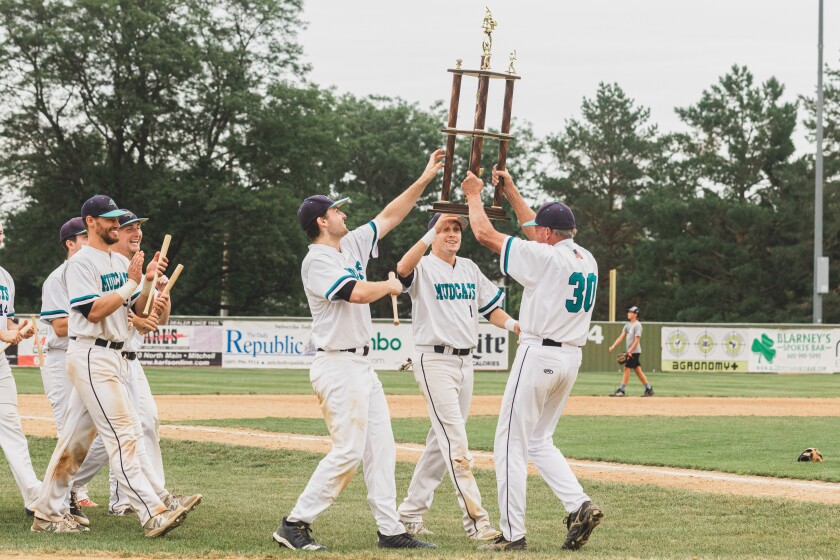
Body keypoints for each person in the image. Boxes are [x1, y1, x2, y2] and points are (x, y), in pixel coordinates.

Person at [272, 150, 444, 552]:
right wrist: (390, 287)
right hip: (337, 365)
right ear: (321, 221)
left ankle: (390, 530)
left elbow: (389, 216)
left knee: (382, 450)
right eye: (337, 211)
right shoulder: (316, 261)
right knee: (349, 451)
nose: (343, 215)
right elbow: (356, 293)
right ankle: (294, 523)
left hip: (361, 366)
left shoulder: (348, 246)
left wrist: (424, 178)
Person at [32, 195, 200, 536]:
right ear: (91, 222)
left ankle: (47, 512)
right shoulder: (81, 263)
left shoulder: (113, 261)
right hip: (92, 354)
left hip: (113, 354)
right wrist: (130, 284)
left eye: (116, 219)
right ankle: (152, 510)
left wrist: (148, 281)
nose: (115, 224)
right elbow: (91, 311)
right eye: (109, 219)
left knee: (75, 443)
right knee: (125, 435)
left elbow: (132, 309)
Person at [460, 167, 604, 552]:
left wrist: (474, 194)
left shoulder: (545, 258)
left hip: (538, 351)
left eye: (540, 229)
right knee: (540, 440)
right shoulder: (584, 257)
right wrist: (510, 192)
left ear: (547, 235)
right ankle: (579, 505)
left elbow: (485, 235)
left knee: (509, 444)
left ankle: (513, 535)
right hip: (570, 358)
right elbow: (534, 233)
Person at [395, 213, 517, 541]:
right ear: (433, 233)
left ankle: (408, 513)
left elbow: (491, 309)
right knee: (456, 443)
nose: (451, 234)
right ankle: (477, 523)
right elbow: (401, 270)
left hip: (465, 361)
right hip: (434, 359)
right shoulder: (422, 266)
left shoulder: (468, 268)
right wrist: (428, 231)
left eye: (455, 229)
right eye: (445, 228)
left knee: (441, 441)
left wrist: (516, 326)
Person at [70, 209, 193, 517]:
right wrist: (141, 307)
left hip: (125, 358)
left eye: (138, 227)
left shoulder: (130, 268)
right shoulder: (99, 265)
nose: (135, 232)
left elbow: (154, 318)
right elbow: (112, 313)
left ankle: (144, 496)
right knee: (117, 433)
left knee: (138, 427)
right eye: (128, 228)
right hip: (97, 355)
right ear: (114, 233)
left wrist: (156, 289)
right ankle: (131, 499)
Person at [39, 217, 104, 523]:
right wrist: (99, 316)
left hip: (88, 355)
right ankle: (59, 503)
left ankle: (66, 488)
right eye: (83, 237)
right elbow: (61, 325)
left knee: (104, 435)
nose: (89, 241)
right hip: (60, 359)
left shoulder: (92, 274)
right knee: (69, 432)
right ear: (70, 243)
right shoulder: (58, 278)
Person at [0, 221, 41, 515]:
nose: (1, 234)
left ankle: (34, 497)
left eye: (1, 229)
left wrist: (18, 331)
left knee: (12, 427)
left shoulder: (5, 278)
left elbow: (8, 322)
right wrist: (3, 334)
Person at [608, 306, 653, 397]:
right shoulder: (627, 325)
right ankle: (648, 389)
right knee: (638, 371)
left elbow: (637, 341)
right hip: (631, 352)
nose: (628, 313)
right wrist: (613, 346)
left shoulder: (637, 325)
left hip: (634, 352)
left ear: (635, 314)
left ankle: (622, 390)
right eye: (628, 312)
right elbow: (621, 337)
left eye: (630, 312)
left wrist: (630, 351)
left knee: (626, 368)